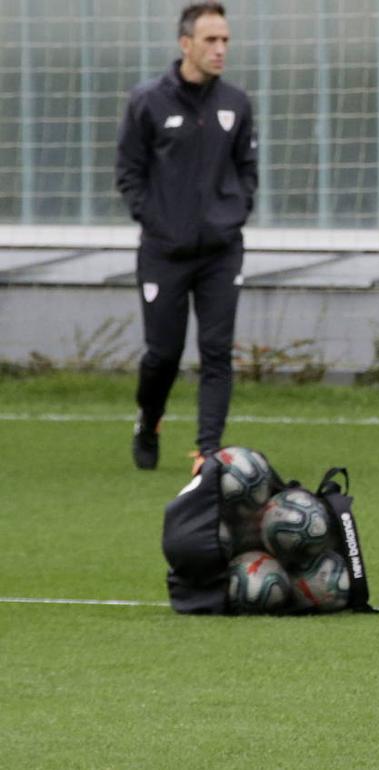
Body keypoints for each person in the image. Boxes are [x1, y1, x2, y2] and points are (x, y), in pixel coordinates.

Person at [115, 2, 257, 471]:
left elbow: (246, 169)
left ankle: (208, 451)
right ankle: (149, 418)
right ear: (185, 44)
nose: (220, 50)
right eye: (211, 40)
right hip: (164, 252)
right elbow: (129, 174)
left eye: (225, 40)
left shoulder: (236, 103)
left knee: (217, 352)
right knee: (164, 354)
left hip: (221, 252)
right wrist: (158, 222)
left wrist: (233, 215)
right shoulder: (147, 101)